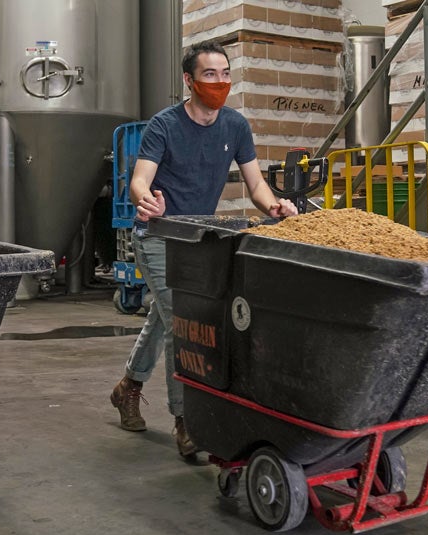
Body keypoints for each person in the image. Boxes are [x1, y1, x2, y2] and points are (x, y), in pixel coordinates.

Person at [109, 41, 299, 457]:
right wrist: (146, 200)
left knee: (166, 317)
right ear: (189, 81)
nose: (219, 82)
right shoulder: (165, 125)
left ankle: (129, 386)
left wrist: (274, 205)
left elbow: (256, 184)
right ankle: (187, 418)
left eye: (225, 73)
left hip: (201, 240)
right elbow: (141, 178)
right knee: (184, 321)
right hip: (159, 235)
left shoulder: (235, 125)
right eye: (210, 74)